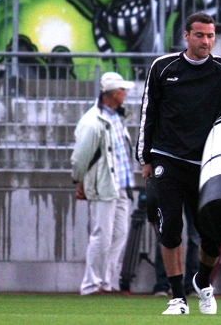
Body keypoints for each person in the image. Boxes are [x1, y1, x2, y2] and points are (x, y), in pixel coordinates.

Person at [136, 12, 221, 315]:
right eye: (200, 35)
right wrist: (145, 158)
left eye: (210, 36)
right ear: (187, 36)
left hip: (206, 164)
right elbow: (148, 113)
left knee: (212, 236)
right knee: (170, 228)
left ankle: (203, 281)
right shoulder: (163, 67)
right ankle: (177, 297)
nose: (206, 41)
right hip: (167, 159)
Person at [71, 71, 136, 295]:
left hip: (120, 185)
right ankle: (91, 285)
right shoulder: (92, 122)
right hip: (103, 184)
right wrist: (79, 182)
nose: (125, 93)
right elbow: (80, 157)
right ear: (112, 93)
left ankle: (106, 282)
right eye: (122, 90)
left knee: (119, 233)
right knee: (102, 234)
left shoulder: (117, 117)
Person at [152, 205, 201, 297]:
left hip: (192, 192)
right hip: (171, 192)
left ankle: (192, 285)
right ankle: (164, 285)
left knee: (195, 238)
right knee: (167, 236)